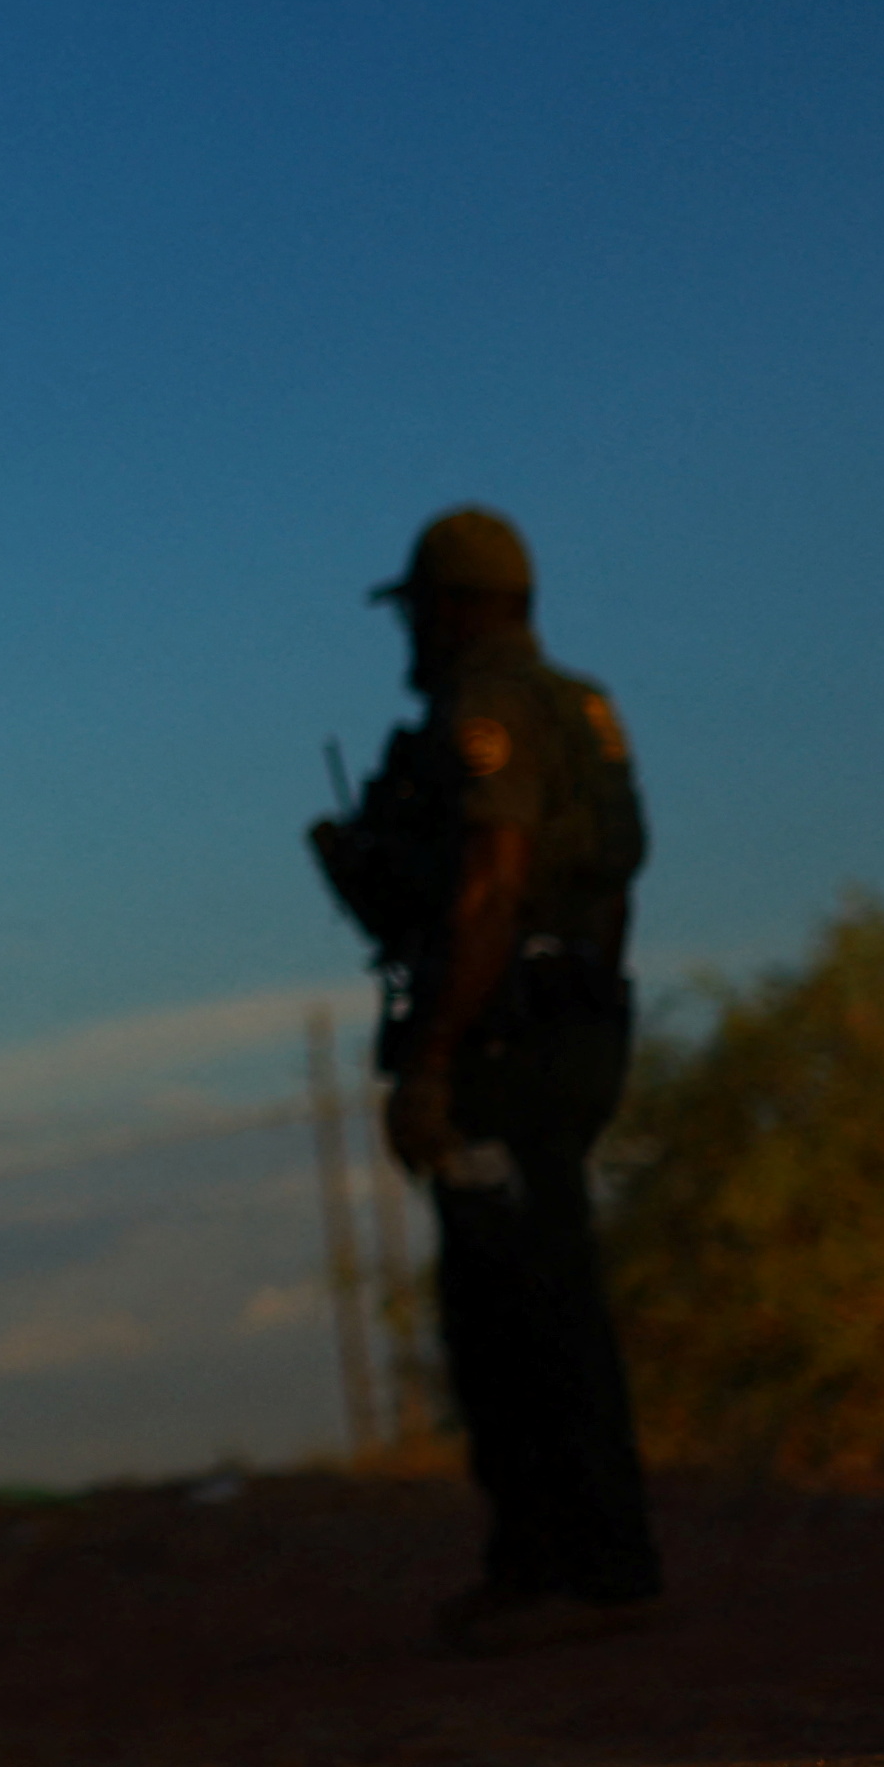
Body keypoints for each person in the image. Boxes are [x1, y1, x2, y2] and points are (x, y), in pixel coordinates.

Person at [311, 506, 659, 1651]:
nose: (411, 632)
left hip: (505, 1042)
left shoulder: (489, 713)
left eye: (418, 609)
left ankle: (574, 1565)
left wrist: (436, 1060)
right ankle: (577, 1560)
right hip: (577, 1027)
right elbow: (601, 889)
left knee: (515, 1309)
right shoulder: (586, 709)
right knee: (546, 1285)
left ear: (457, 608)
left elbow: (489, 890)